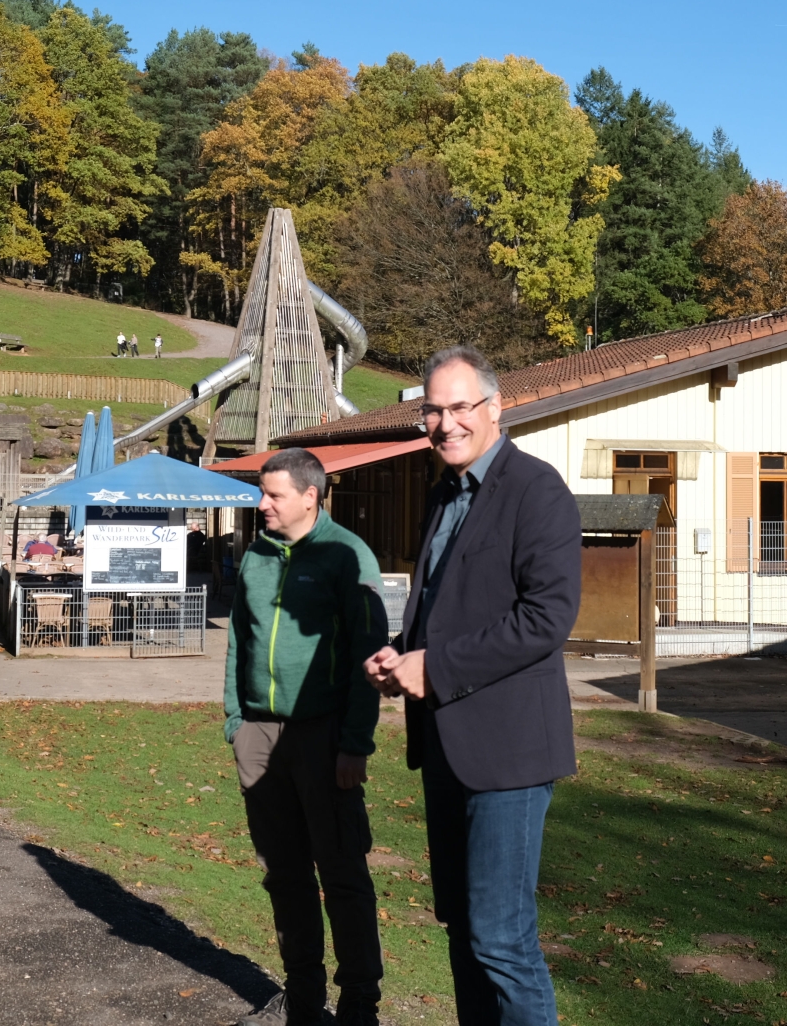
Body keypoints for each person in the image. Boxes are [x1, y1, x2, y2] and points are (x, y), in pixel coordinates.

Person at [363, 345, 581, 1026]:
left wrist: (436, 667)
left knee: (502, 941)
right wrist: (402, 655)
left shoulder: (535, 489)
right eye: (433, 409)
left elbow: (548, 617)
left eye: (460, 407)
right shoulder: (443, 494)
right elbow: (455, 609)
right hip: (447, 748)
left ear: (495, 408)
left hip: (508, 755)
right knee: (462, 931)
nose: (445, 422)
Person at [228, 448, 388, 1026]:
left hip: (324, 738)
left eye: (272, 494)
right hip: (260, 734)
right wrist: (235, 719)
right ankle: (302, 1002)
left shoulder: (348, 556)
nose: (261, 503)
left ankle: (359, 1007)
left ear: (309, 497)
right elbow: (239, 643)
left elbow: (367, 657)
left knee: (342, 874)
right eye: (262, 493)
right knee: (284, 873)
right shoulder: (256, 557)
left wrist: (354, 744)